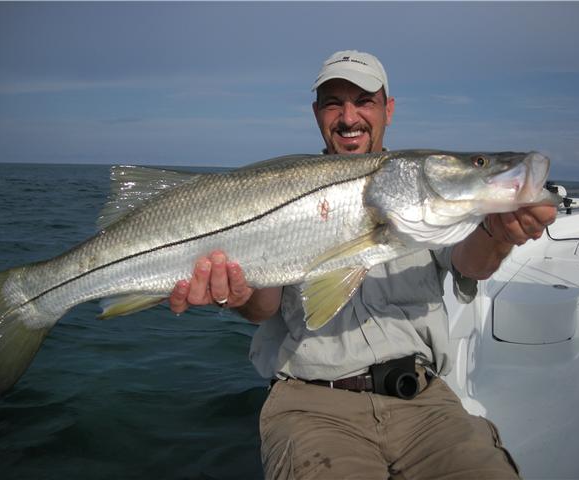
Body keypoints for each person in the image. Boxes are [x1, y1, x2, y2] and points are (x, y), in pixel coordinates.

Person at [168, 50, 557, 479]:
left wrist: (500, 235)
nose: (349, 117)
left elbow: (471, 263)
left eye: (364, 101)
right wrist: (236, 294)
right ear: (317, 113)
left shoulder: (419, 191)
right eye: (334, 103)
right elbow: (264, 308)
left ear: (387, 109)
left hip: (425, 402)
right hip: (312, 407)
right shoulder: (281, 190)